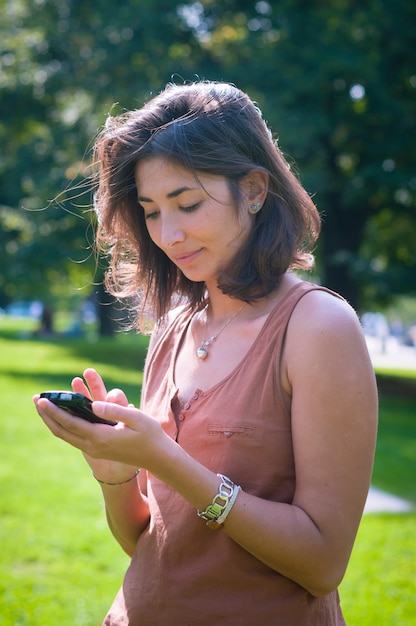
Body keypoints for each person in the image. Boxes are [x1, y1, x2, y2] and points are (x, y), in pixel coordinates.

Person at [33, 81, 378, 625]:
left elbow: (322, 564)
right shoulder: (174, 323)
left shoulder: (319, 328)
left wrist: (167, 460)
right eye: (150, 211)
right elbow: (152, 545)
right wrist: (114, 471)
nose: (168, 234)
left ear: (256, 190)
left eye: (187, 203)